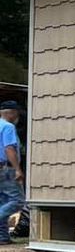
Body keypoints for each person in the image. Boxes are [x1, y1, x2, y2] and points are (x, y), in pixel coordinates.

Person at [0, 99, 22, 243]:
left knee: (2, 201)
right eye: (16, 113)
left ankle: (2, 237)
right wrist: (17, 169)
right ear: (11, 113)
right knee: (18, 201)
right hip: (5, 168)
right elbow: (9, 148)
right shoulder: (8, 127)